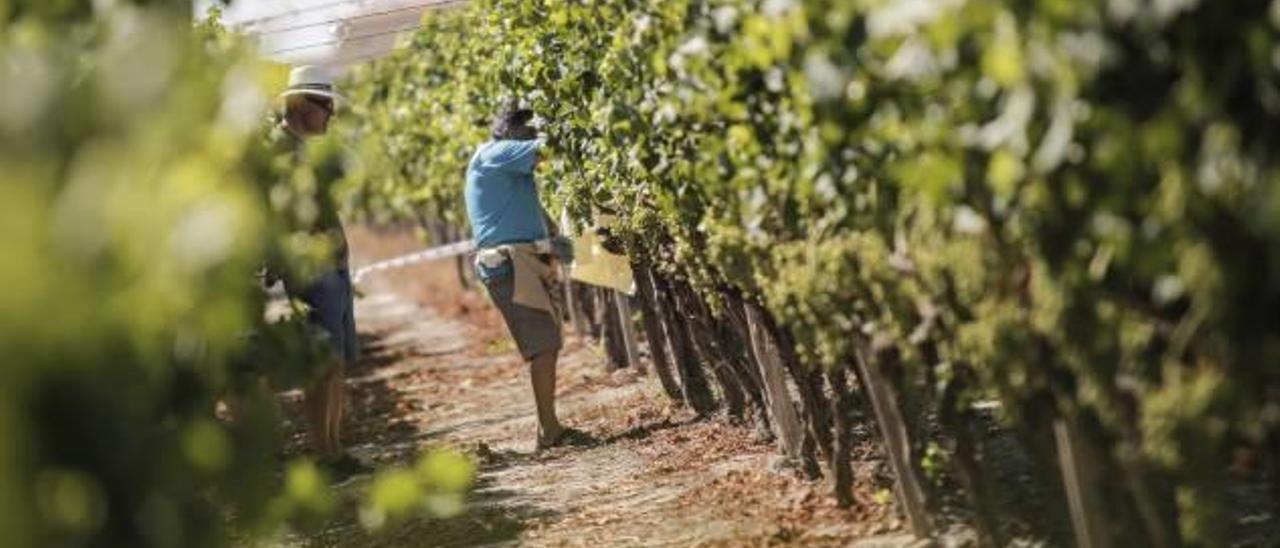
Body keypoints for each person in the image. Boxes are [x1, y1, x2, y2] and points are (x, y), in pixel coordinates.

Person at [464, 100, 587, 451]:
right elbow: (552, 145)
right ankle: (549, 431)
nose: (531, 139)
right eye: (528, 131)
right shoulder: (498, 153)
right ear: (512, 129)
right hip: (510, 264)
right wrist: (567, 122)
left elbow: (525, 211)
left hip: (519, 262)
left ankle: (549, 428)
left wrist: (553, 240)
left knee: (548, 342)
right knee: (544, 345)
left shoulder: (505, 166)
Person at [270, 65, 370, 478]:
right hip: (312, 270)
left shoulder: (305, 149)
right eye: (324, 105)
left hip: (333, 267)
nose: (331, 114)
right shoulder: (280, 149)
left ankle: (334, 450)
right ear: (299, 104)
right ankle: (323, 453)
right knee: (321, 362)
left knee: (336, 362)